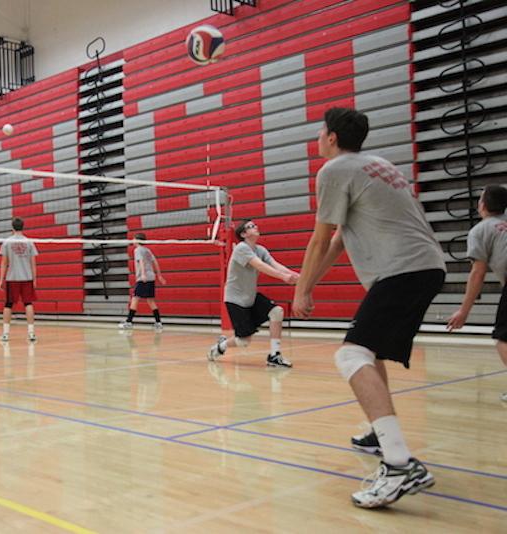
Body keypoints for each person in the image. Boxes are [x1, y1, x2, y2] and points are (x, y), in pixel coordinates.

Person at [292, 107, 446, 509]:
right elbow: (342, 239)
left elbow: (319, 239)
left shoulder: (333, 170)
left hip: (404, 269)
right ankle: (383, 436)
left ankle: (399, 464)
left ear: (330, 138)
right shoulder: (376, 164)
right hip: (425, 266)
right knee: (369, 352)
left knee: (350, 354)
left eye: (320, 131)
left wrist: (301, 293)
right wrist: (306, 281)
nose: (318, 137)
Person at [208, 220, 298, 367]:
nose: (255, 227)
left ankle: (274, 355)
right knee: (243, 341)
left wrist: (297, 276)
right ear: (243, 234)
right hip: (235, 299)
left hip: (250, 296)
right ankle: (220, 346)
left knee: (277, 312)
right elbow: (260, 266)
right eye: (251, 226)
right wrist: (284, 277)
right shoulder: (241, 249)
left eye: (255, 225)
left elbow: (275, 265)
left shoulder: (260, 249)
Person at [447, 185, 507, 403]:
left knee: (502, 337)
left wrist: (464, 310)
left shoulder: (480, 230)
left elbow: (477, 273)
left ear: (482, 205)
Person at [0, 217, 38, 342]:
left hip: (12, 278)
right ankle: (31, 334)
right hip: (27, 278)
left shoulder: (7, 242)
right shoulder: (29, 242)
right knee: (28, 303)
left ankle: (5, 334)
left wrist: (1, 279)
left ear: (12, 228)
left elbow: (4, 263)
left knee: (8, 305)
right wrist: (34, 279)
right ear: (23, 227)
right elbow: (33, 263)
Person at [119, 233, 166, 331]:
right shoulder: (148, 250)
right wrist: (159, 275)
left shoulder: (137, 250)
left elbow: (141, 262)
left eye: (134, 239)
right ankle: (158, 322)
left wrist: (143, 274)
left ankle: (129, 322)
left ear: (137, 240)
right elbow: (155, 262)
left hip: (143, 278)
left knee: (135, 299)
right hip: (151, 277)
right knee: (150, 300)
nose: (132, 240)